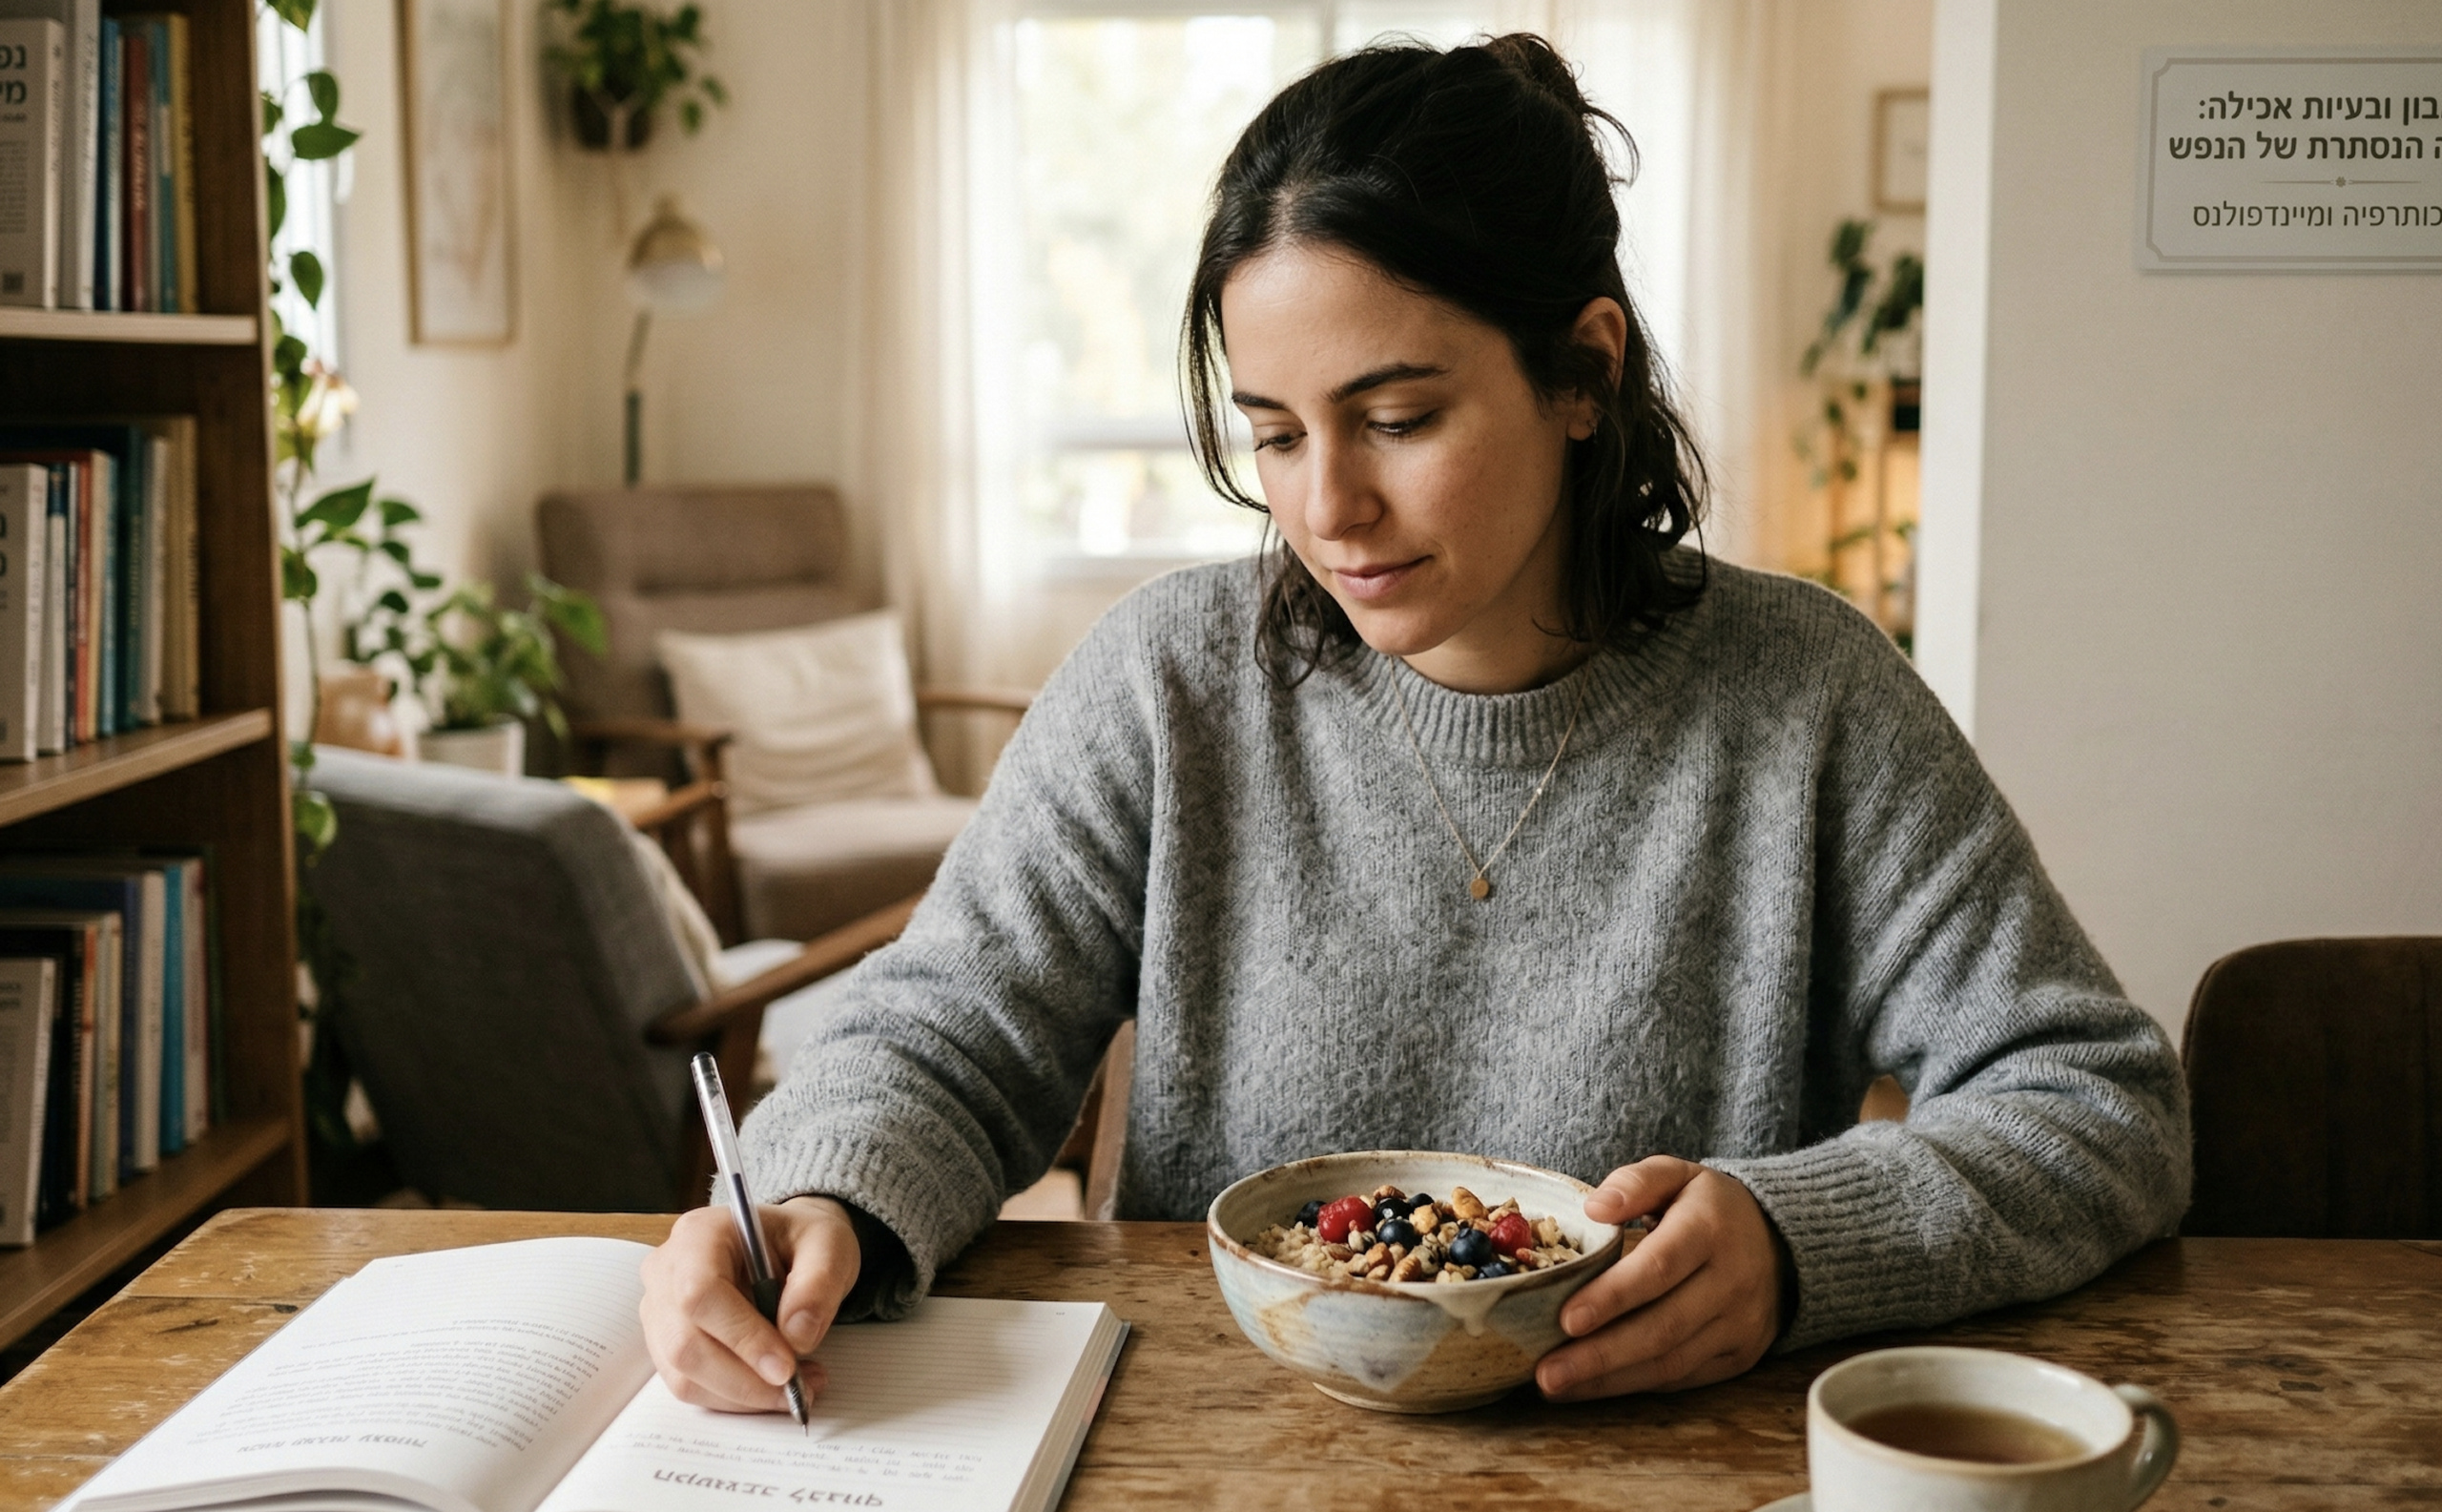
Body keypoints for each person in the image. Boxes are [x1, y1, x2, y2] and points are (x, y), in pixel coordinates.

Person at [638, 33, 2188, 1412]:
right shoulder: (1169, 679)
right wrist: (816, 1193)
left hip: (1663, 1462)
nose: (1329, 508)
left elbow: (2099, 1104)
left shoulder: (1811, 695)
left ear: (1584, 371)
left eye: (1397, 419)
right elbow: (950, 1028)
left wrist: (1803, 1244)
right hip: (1220, 1450)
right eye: (1276, 434)